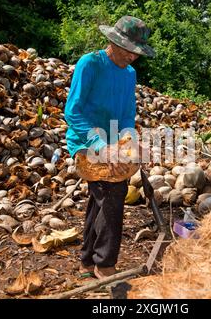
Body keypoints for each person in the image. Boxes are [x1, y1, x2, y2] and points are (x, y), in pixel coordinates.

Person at [64, 16, 155, 279]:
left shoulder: (129, 74)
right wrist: (100, 146)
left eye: (137, 53)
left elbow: (127, 114)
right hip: (86, 140)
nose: (133, 57)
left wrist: (130, 142)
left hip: (113, 141)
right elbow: (73, 111)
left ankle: (87, 262)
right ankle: (105, 265)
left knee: (101, 197)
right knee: (113, 193)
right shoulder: (90, 64)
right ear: (112, 42)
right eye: (129, 50)